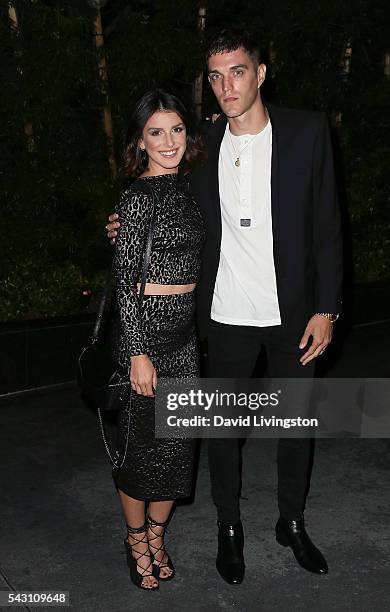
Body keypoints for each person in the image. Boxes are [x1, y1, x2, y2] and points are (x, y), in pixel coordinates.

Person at [107, 29, 343, 585]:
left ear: (260, 73)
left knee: (295, 427)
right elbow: (152, 193)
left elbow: (329, 227)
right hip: (225, 317)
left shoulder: (308, 132)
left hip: (294, 316)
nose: (225, 85)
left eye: (237, 71)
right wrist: (119, 224)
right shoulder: (201, 143)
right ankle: (228, 528)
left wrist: (327, 309)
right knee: (221, 433)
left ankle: (291, 521)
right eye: (214, 76)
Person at [111, 88, 205, 590]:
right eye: (155, 132)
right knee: (139, 451)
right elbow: (126, 283)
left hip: (186, 341)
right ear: (141, 141)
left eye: (176, 129)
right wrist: (138, 353)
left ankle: (157, 534)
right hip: (145, 339)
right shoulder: (135, 197)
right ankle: (135, 540)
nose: (168, 141)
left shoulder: (195, 189)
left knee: (177, 451)